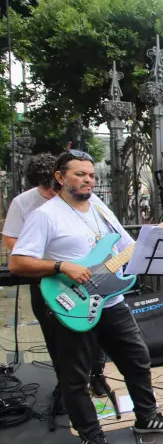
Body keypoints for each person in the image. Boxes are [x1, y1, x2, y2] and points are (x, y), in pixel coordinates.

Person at [9, 150, 163, 444]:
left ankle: (147, 417)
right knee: (75, 374)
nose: (88, 179)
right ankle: (92, 434)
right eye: (79, 174)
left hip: (110, 299)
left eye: (90, 174)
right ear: (61, 178)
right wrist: (61, 266)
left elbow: (125, 248)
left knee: (136, 356)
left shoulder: (100, 209)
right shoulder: (46, 215)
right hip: (71, 303)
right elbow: (18, 262)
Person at [2, 153, 112, 399]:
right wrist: (40, 254)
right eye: (46, 190)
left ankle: (97, 374)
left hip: (84, 276)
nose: (52, 194)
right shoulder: (23, 203)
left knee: (94, 325)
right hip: (45, 277)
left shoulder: (85, 200)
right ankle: (67, 384)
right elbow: (10, 238)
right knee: (56, 335)